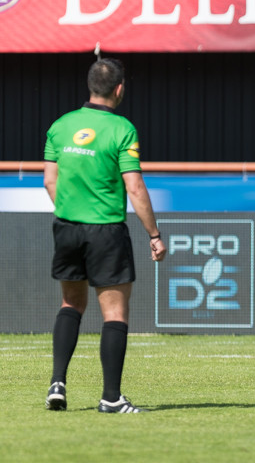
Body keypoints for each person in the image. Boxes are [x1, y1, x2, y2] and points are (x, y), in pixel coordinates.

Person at [44, 58, 165, 414]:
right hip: (106, 231)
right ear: (119, 88)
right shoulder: (122, 129)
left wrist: (72, 210)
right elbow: (135, 186)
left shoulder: (61, 125)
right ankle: (111, 397)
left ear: (89, 86)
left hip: (66, 226)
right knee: (114, 314)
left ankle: (57, 385)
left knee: (71, 305)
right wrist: (154, 234)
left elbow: (50, 182)